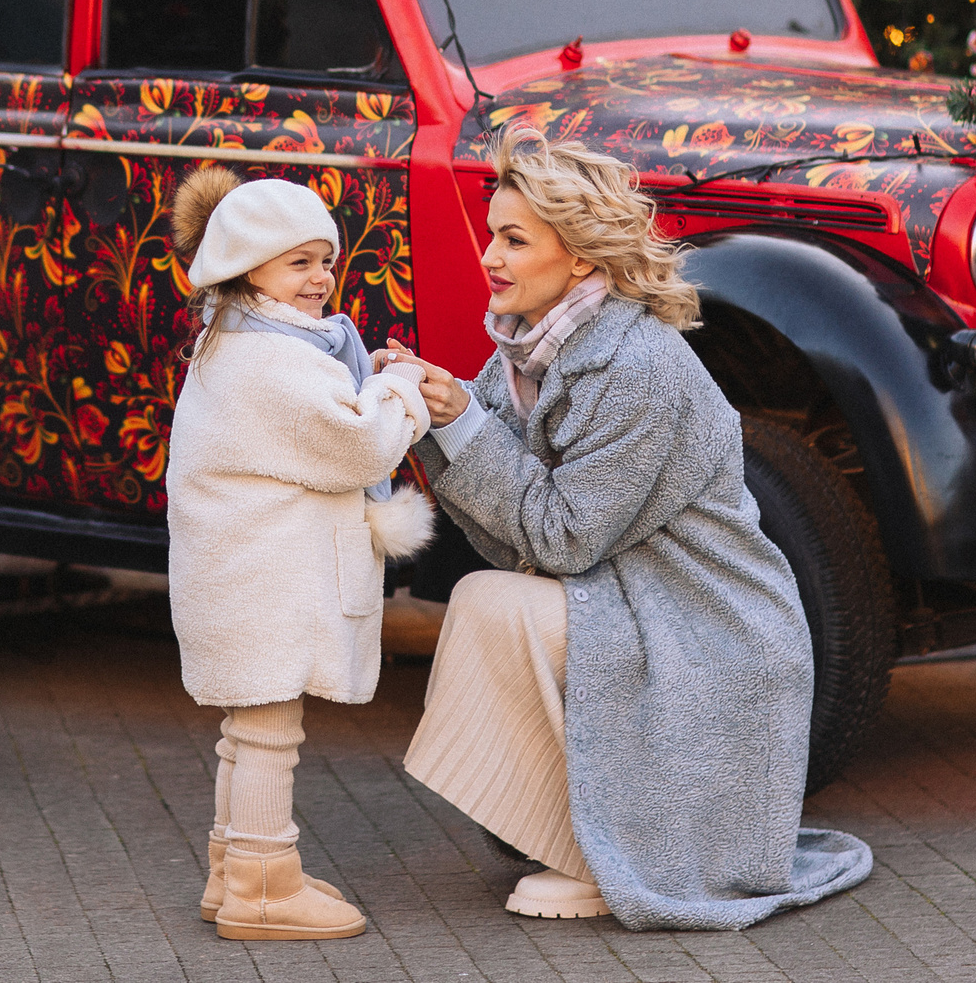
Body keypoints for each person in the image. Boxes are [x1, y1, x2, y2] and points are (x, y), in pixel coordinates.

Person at [386, 127, 873, 929]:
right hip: (634, 602)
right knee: (490, 595)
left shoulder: (635, 365)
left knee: (490, 603)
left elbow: (563, 538)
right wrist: (434, 413)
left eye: (514, 239)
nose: (490, 257)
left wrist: (462, 423)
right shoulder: (521, 352)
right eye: (493, 236)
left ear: (579, 257)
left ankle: (597, 858)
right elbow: (512, 536)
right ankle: (579, 844)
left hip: (712, 635)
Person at [164, 166, 436, 941]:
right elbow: (355, 445)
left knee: (247, 728)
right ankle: (262, 886)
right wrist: (402, 390)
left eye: (326, 259)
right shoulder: (270, 361)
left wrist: (366, 383)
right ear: (249, 267)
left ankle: (235, 869)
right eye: (299, 262)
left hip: (248, 575)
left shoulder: (248, 340)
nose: (321, 277)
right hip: (263, 585)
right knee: (267, 731)